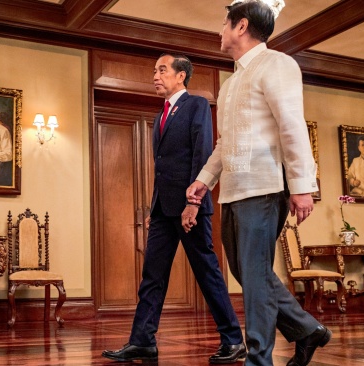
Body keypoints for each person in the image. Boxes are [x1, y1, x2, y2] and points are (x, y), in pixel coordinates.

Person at [186, 1, 328, 365]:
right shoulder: (232, 82)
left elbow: (291, 124)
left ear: (241, 26)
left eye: (224, 23)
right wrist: (204, 180)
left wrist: (301, 185)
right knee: (248, 272)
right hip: (233, 190)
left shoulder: (278, 64)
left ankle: (259, 358)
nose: (219, 30)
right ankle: (308, 330)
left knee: (253, 277)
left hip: (264, 189)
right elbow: (225, 142)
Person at [101, 52, 245, 364]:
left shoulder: (196, 105)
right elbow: (163, 166)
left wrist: (193, 202)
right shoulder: (160, 116)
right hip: (163, 211)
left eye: (162, 70)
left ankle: (233, 340)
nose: (155, 75)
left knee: (207, 273)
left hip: (190, 207)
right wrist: (157, 211)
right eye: (154, 70)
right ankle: (142, 341)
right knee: (152, 275)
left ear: (180, 76)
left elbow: (202, 153)